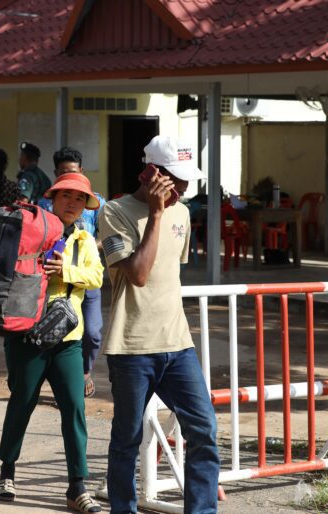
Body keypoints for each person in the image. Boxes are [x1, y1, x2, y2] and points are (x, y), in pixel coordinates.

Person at [0, 173, 103, 513]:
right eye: (66, 196)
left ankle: (77, 486)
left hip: (66, 338)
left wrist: (67, 271)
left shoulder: (84, 240)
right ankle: (7, 472)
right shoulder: (27, 227)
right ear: (53, 199)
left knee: (74, 408)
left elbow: (97, 277)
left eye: (79, 198)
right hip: (25, 333)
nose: (72, 203)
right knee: (21, 402)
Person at [100, 135, 219, 514]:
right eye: (176, 180)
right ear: (151, 172)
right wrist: (154, 214)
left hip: (177, 343)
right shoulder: (113, 212)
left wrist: (166, 209)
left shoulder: (181, 212)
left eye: (187, 180)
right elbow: (138, 274)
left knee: (204, 429)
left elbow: (168, 274)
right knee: (127, 439)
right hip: (132, 347)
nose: (184, 189)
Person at [37, 147, 106, 398]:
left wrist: (83, 246)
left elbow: (106, 237)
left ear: (82, 172)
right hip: (55, 281)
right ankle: (61, 379)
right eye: (64, 175)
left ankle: (85, 371)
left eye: (74, 173)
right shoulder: (44, 203)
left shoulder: (97, 202)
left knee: (93, 331)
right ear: (56, 175)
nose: (73, 202)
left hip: (85, 273)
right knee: (55, 327)